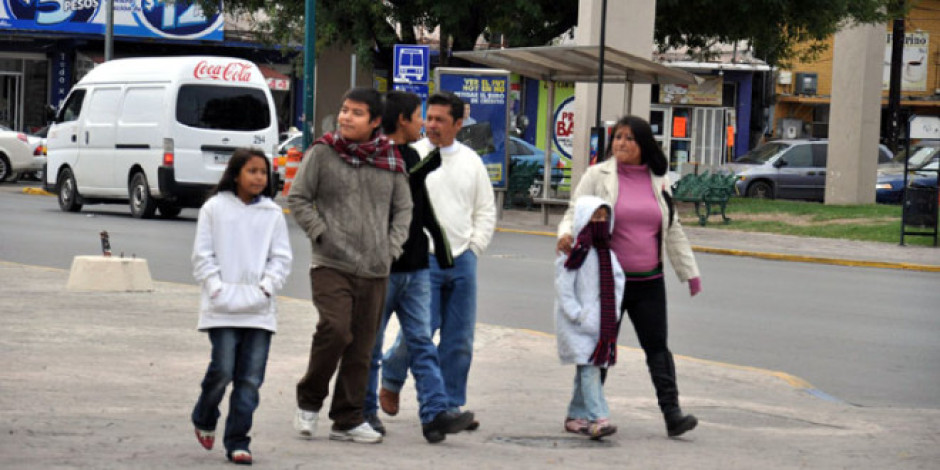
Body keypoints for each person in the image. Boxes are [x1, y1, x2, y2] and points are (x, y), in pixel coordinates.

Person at [556, 115, 702, 438]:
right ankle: (586, 414)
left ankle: (672, 414)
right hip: (608, 280)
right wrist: (565, 234)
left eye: (629, 138)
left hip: (649, 281)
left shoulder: (658, 179)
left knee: (658, 349)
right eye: (618, 137)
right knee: (600, 348)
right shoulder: (598, 175)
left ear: (643, 145)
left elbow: (672, 227)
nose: (621, 143)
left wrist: (689, 272)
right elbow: (572, 210)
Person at [288, 87, 412, 444]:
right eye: (344, 110)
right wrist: (319, 232)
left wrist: (392, 247)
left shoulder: (390, 159)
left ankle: (347, 419)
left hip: (376, 268)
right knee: (336, 329)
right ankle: (309, 402)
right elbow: (298, 196)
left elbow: (403, 208)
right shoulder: (323, 153)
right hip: (331, 262)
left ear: (375, 122)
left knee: (362, 348)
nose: (345, 117)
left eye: (356, 113)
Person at [362, 90, 475, 443]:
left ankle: (434, 414)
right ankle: (365, 411)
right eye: (419, 117)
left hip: (416, 268)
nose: (425, 124)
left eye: (433, 119)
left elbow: (422, 209)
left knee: (421, 342)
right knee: (371, 343)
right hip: (382, 269)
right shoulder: (379, 156)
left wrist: (442, 254)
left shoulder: (411, 154)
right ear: (402, 121)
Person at [378, 92, 496, 429]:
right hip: (421, 258)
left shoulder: (471, 161)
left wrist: (475, 248)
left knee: (459, 337)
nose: (431, 125)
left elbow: (485, 210)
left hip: (462, 258)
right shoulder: (411, 155)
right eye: (428, 118)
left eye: (440, 120)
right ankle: (392, 376)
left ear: (458, 124)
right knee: (421, 331)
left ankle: (449, 405)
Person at [191, 148, 293, 465]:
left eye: (263, 172)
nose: (259, 177)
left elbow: (282, 259)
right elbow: (202, 256)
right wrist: (216, 288)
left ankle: (238, 440)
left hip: (259, 311)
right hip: (221, 307)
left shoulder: (273, 214)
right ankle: (204, 414)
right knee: (222, 370)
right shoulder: (214, 209)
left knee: (250, 380)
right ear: (236, 174)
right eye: (252, 171)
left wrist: (266, 288)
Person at [555, 195, 625, 440]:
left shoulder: (608, 254)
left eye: (605, 217)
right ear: (584, 218)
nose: (601, 221)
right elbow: (564, 286)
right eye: (595, 217)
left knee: (585, 369)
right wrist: (577, 314)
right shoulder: (574, 253)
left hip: (601, 324)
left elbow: (618, 284)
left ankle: (575, 416)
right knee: (590, 371)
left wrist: (612, 314)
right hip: (578, 324)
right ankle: (598, 418)